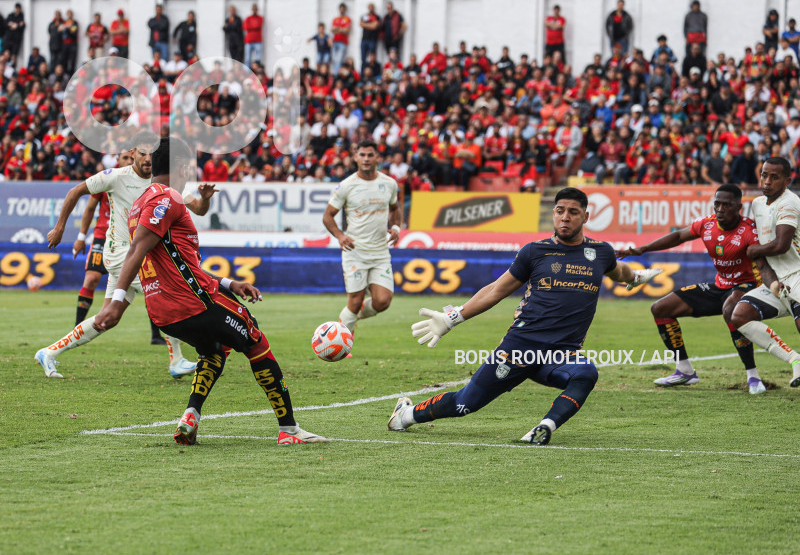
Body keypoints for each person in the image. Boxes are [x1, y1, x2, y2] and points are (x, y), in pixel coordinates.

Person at [94, 136, 327, 446]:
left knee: (214, 351)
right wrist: (116, 300)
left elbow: (179, 262)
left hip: (164, 311)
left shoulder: (141, 203)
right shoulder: (167, 199)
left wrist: (231, 284)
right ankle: (290, 430)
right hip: (194, 303)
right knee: (256, 341)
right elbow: (136, 249)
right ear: (181, 166)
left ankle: (191, 415)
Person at [389, 187, 661, 445]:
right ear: (553, 213)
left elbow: (618, 272)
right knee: (465, 404)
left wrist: (636, 277)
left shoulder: (600, 252)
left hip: (560, 354)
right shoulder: (534, 251)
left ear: (586, 217)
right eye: (559, 210)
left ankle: (544, 428)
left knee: (586, 373)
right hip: (520, 347)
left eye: (573, 212)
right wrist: (453, 318)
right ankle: (405, 415)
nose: (565, 217)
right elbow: (496, 289)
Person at [33, 131, 216, 380]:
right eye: (142, 153)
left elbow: (199, 209)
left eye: (152, 154)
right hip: (120, 253)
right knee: (167, 290)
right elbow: (75, 191)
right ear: (132, 154)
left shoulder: (165, 184)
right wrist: (60, 227)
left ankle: (49, 352)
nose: (147, 159)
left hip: (134, 257)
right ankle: (176, 360)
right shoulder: (116, 177)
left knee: (109, 317)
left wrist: (204, 199)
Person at [617, 185, 774, 393]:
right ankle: (684, 371)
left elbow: (765, 263)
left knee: (730, 309)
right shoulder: (707, 225)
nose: (720, 209)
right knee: (660, 308)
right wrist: (642, 249)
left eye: (726, 205)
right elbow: (679, 237)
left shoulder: (750, 231)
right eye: (717, 203)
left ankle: (753, 376)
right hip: (720, 286)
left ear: (739, 207)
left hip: (748, 286)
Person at [71, 149, 171, 347]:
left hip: (136, 244)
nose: (128, 161)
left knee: (111, 314)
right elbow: (90, 207)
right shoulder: (111, 178)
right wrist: (81, 236)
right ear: (122, 159)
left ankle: (157, 337)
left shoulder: (150, 183)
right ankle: (76, 326)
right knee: (92, 279)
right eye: (124, 158)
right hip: (105, 238)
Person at [322, 140, 401, 347]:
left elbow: (394, 208)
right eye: (362, 155)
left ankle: (349, 319)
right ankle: (342, 343)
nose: (366, 159)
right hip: (354, 251)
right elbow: (328, 216)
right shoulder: (347, 186)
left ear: (377, 158)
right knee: (355, 301)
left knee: (383, 301)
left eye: (370, 155)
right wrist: (340, 236)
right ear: (355, 157)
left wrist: (396, 228)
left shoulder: (389, 184)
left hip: (380, 251)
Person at [731, 157, 800, 388]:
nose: (767, 181)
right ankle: (795, 360)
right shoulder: (758, 204)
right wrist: (770, 280)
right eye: (764, 175)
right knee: (740, 314)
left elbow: (781, 245)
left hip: (798, 274)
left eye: (774, 177)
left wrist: (754, 250)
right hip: (779, 280)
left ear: (787, 181)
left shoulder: (789, 202)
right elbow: (760, 250)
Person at [331, 3, 351, 75]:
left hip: (343, 42)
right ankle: (335, 74)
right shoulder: (335, 19)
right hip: (335, 41)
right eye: (340, 8)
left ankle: (336, 75)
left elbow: (347, 30)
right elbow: (332, 30)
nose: (342, 10)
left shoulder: (347, 19)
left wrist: (338, 29)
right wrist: (341, 29)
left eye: (343, 8)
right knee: (334, 59)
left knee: (339, 60)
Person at [359, 3, 380, 72]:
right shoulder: (364, 16)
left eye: (372, 7)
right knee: (363, 59)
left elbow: (375, 26)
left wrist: (366, 25)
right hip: (364, 40)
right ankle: (363, 73)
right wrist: (371, 25)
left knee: (372, 58)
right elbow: (361, 24)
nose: (371, 8)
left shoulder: (377, 17)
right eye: (369, 7)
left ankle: (372, 72)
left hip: (372, 40)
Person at [243, 4, 264, 69]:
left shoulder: (260, 18)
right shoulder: (248, 18)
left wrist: (251, 26)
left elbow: (259, 26)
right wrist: (254, 25)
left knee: (258, 58)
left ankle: (257, 72)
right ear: (252, 9)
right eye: (253, 8)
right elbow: (245, 27)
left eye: (256, 8)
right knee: (247, 58)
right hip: (248, 41)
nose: (254, 10)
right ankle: (247, 72)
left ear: (257, 9)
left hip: (258, 41)